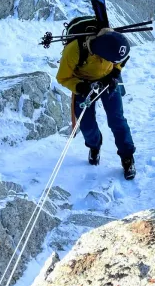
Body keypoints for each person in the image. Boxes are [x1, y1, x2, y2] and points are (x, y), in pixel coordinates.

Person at [56, 28, 136, 180]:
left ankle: (127, 156)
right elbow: (62, 77)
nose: (114, 62)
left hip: (108, 82)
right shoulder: (74, 51)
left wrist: (114, 74)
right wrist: (80, 87)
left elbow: (120, 61)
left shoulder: (113, 44)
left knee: (117, 120)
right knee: (86, 124)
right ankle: (94, 145)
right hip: (84, 86)